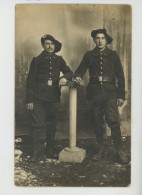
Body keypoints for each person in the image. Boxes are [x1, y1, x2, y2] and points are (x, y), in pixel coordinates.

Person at [75, 29, 128, 163]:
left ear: (106, 40)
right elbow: (79, 71)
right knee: (97, 122)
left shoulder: (113, 55)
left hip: (110, 92)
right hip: (94, 93)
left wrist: (121, 95)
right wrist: (77, 78)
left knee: (113, 121)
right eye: (97, 38)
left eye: (102, 38)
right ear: (94, 40)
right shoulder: (89, 55)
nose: (99, 41)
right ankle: (100, 149)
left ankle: (119, 150)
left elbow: (120, 76)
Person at [26, 34, 73, 162]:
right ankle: (35, 153)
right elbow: (30, 81)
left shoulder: (59, 59)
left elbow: (69, 72)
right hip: (38, 97)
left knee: (51, 124)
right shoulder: (37, 60)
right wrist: (29, 100)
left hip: (52, 97)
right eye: (47, 43)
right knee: (37, 124)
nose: (50, 46)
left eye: (52, 44)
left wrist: (64, 77)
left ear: (55, 46)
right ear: (43, 45)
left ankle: (50, 150)